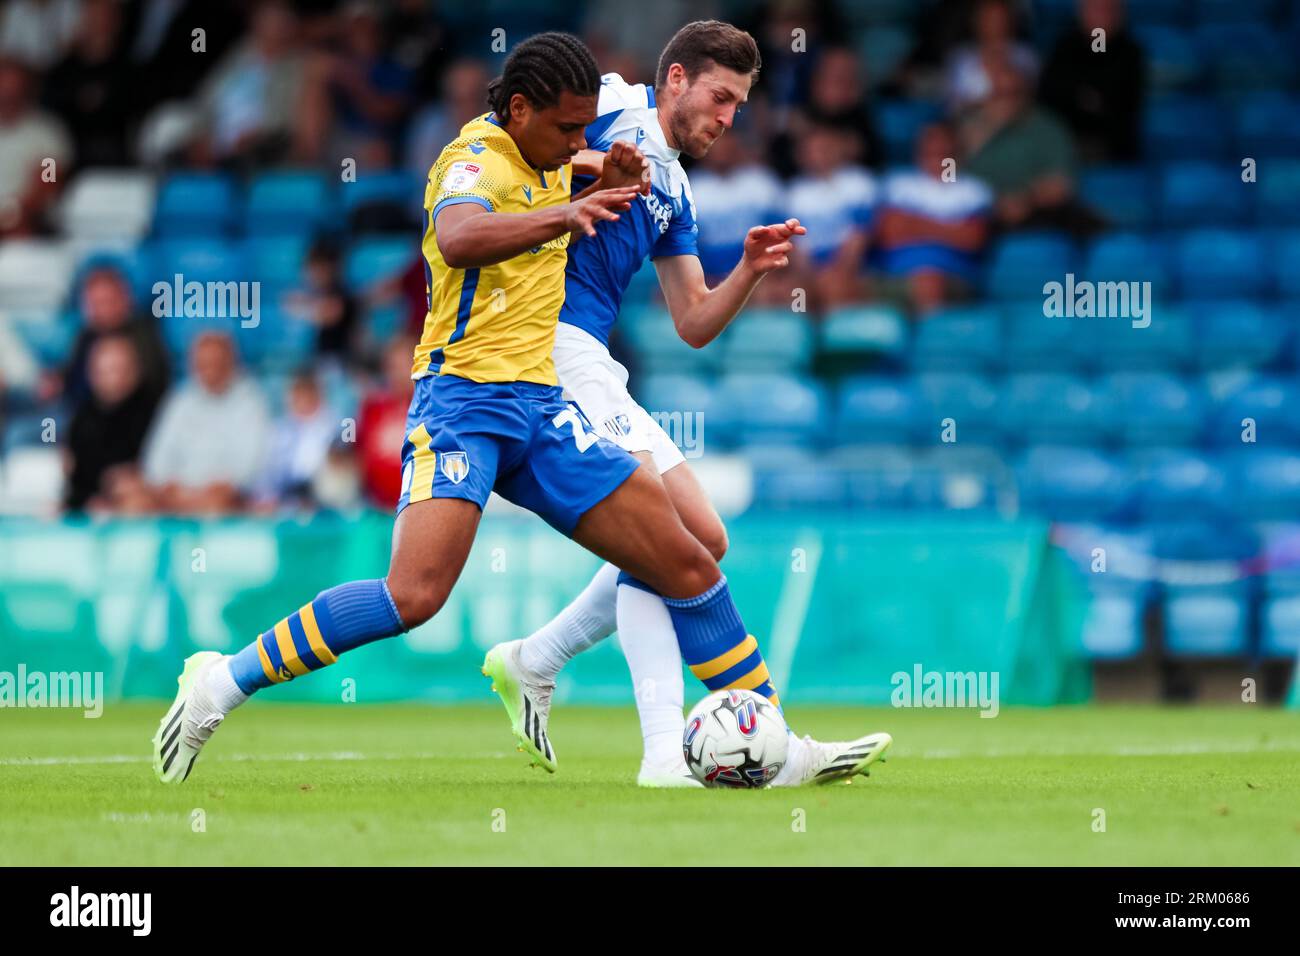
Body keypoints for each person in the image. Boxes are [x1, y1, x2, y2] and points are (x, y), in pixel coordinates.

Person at [149, 33, 783, 789]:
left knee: (683, 554)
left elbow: (672, 291)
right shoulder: (473, 156)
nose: (584, 142)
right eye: (570, 129)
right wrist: (568, 213)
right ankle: (220, 684)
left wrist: (597, 189)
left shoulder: (562, 161)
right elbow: (456, 236)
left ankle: (771, 740)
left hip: (544, 409)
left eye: (589, 131)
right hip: (465, 401)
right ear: (521, 109)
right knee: (413, 595)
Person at [496, 21, 891, 787]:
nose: (727, 118)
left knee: (702, 539)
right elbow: (507, 148)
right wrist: (596, 164)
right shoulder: (608, 102)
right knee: (664, 538)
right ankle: (667, 755)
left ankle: (534, 659)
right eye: (720, 97)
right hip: (546, 343)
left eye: (740, 106)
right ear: (674, 79)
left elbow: (693, 323)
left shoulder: (676, 190)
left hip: (594, 361)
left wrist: (745, 270)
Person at [135, 332, 270, 514]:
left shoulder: (251, 402)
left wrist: (219, 488)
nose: (210, 370)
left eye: (217, 363)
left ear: (232, 362)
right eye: (203, 364)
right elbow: (156, 460)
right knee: (135, 503)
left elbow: (251, 465)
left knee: (215, 506)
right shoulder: (180, 400)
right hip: (177, 494)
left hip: (226, 497)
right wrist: (170, 486)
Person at [876, 122, 992, 315]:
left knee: (929, 280)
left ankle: (933, 340)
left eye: (943, 153)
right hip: (895, 274)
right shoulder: (898, 184)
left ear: (957, 154)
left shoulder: (973, 190)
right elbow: (890, 232)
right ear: (918, 153)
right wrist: (949, 228)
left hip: (954, 275)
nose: (936, 158)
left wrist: (914, 223)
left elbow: (972, 239)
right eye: (930, 152)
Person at [64, 334, 159, 512]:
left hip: (140, 506)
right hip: (89, 507)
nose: (114, 379)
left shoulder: (155, 412)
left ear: (136, 370)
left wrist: (140, 480)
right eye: (105, 371)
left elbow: (161, 472)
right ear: (92, 374)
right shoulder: (83, 415)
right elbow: (74, 476)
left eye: (120, 369)